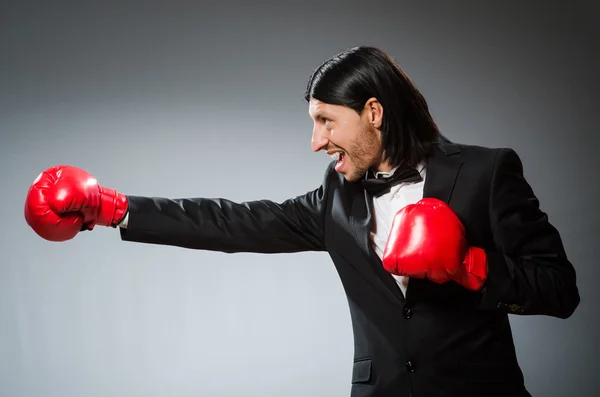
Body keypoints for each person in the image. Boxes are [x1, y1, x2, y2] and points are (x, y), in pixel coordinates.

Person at [23, 46, 580, 397]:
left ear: (374, 113)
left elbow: (560, 289)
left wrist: (471, 267)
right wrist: (116, 208)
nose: (316, 141)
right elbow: (233, 222)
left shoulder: (486, 172)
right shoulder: (338, 195)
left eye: (325, 121)